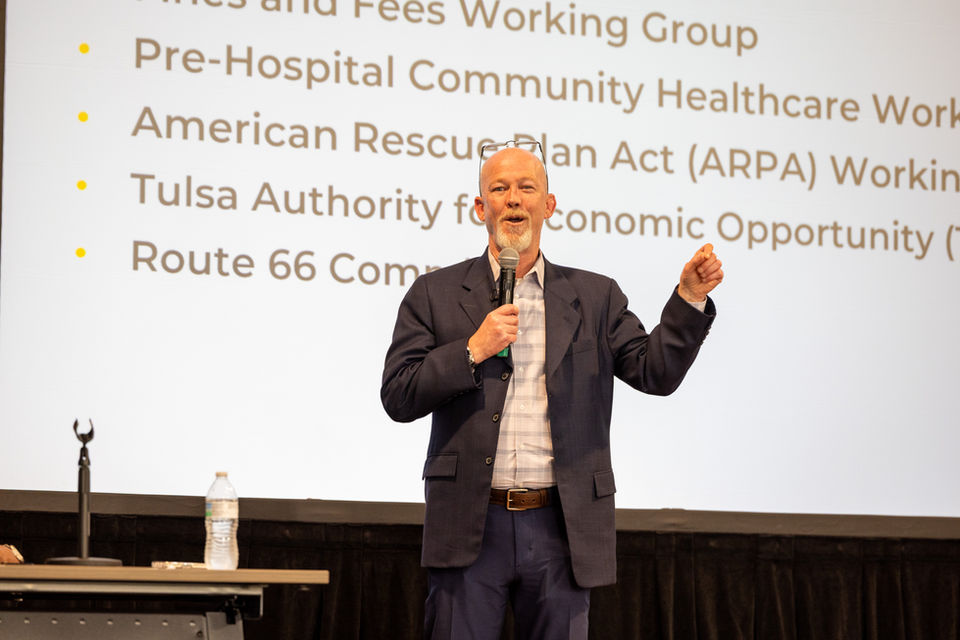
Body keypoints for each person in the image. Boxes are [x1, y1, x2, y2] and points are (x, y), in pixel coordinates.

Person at [381, 140, 724, 640]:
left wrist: (689, 299)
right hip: (471, 524)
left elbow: (656, 374)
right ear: (481, 207)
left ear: (549, 205)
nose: (513, 199)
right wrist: (471, 349)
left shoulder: (595, 296)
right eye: (499, 189)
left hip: (561, 527)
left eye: (527, 188)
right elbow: (398, 394)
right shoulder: (433, 295)